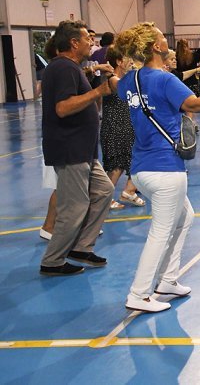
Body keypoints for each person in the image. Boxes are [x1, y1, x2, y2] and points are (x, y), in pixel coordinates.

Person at [111, 22, 200, 313]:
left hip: (142, 168)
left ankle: (168, 280)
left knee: (186, 217)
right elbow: (193, 104)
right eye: (162, 38)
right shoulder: (164, 79)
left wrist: (124, 66)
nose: (166, 41)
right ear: (156, 47)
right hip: (166, 167)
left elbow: (118, 88)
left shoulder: (130, 80)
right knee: (160, 231)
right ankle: (139, 293)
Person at [40, 20, 115, 276]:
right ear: (74, 43)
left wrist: (93, 73)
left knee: (104, 190)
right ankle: (52, 260)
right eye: (87, 40)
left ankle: (81, 247)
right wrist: (100, 91)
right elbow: (63, 107)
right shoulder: (63, 68)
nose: (91, 44)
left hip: (83, 149)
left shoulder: (70, 68)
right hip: (70, 149)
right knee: (74, 208)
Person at [101, 47, 144, 210]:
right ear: (119, 61)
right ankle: (105, 198)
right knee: (116, 166)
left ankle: (128, 191)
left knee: (130, 160)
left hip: (125, 126)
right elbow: (124, 90)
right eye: (127, 59)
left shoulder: (122, 77)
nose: (131, 62)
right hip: (115, 127)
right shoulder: (113, 79)